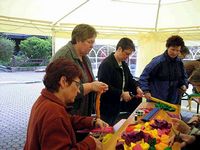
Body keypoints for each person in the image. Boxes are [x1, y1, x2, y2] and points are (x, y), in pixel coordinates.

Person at [24, 58, 108, 150]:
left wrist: (92, 122)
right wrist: (90, 143)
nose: (78, 90)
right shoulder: (53, 112)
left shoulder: (44, 100)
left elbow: (67, 120)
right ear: (63, 81)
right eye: (77, 84)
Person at [50, 24, 108, 116]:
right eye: (89, 42)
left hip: (83, 113)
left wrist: (96, 85)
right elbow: (58, 89)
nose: (92, 46)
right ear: (77, 40)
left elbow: (87, 80)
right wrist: (91, 86)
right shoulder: (63, 56)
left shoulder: (85, 58)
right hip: (68, 114)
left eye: (93, 43)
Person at [97, 37, 143, 126]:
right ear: (119, 49)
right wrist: (121, 93)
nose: (127, 57)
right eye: (126, 54)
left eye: (129, 55)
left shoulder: (123, 63)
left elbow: (130, 79)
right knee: (105, 130)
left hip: (116, 105)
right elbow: (104, 86)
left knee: (113, 127)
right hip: (107, 106)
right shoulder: (106, 64)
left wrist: (137, 87)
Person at [139, 35, 188, 104]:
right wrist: (146, 91)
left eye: (177, 50)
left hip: (174, 102)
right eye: (172, 49)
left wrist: (184, 84)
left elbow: (184, 77)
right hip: (156, 101)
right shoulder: (157, 61)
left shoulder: (179, 62)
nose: (175, 53)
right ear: (167, 47)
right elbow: (143, 77)